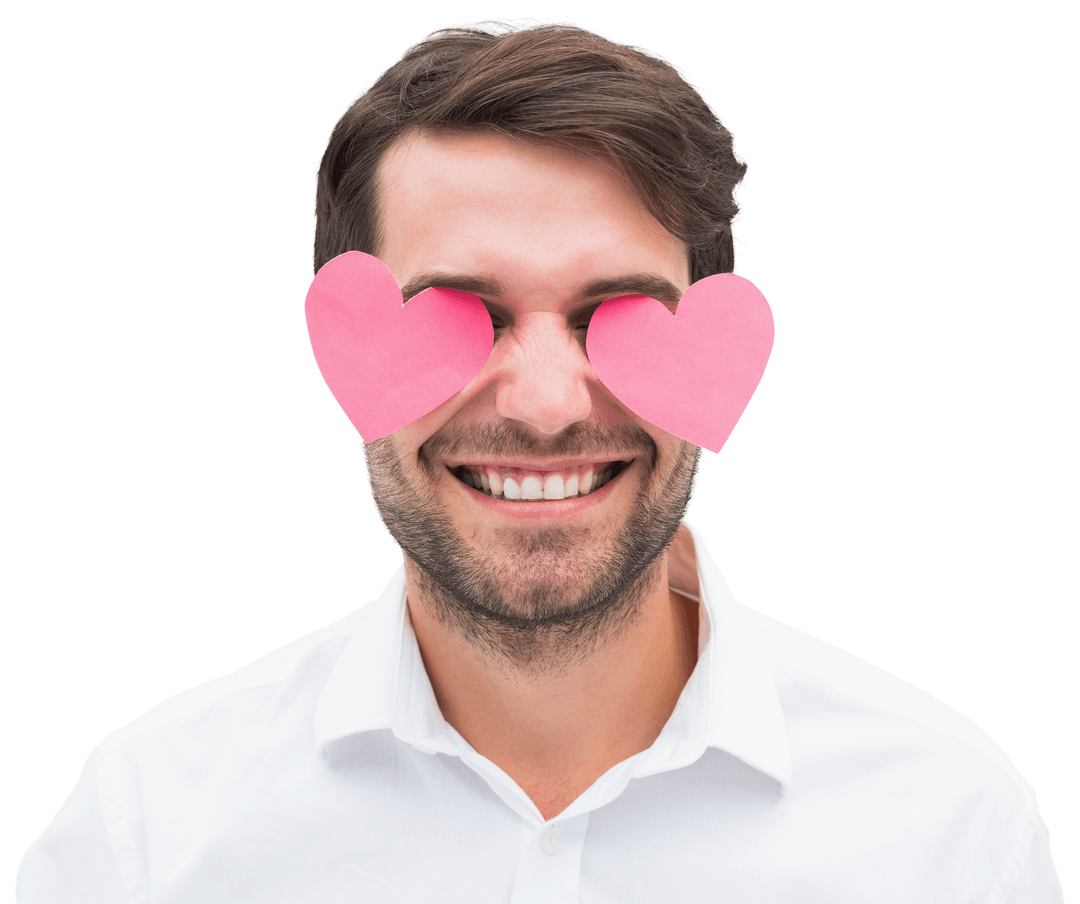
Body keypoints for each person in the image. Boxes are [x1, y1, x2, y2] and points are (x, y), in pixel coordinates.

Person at [17, 18, 1063, 903]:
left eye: (619, 314)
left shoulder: (948, 831)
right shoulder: (147, 836)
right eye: (458, 313)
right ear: (348, 347)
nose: (549, 405)